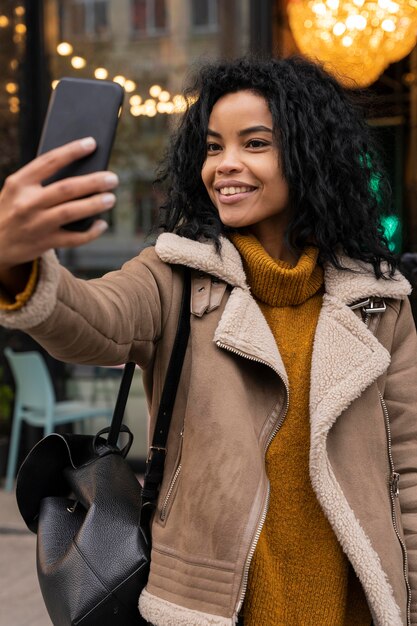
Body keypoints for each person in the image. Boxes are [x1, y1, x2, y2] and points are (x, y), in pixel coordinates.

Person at [0, 56, 416, 626]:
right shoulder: (174, 275)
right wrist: (16, 266)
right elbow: (91, 320)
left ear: (311, 155)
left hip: (352, 606)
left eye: (255, 143)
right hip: (210, 607)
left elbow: (409, 470)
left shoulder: (379, 301)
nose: (225, 165)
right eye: (214, 146)